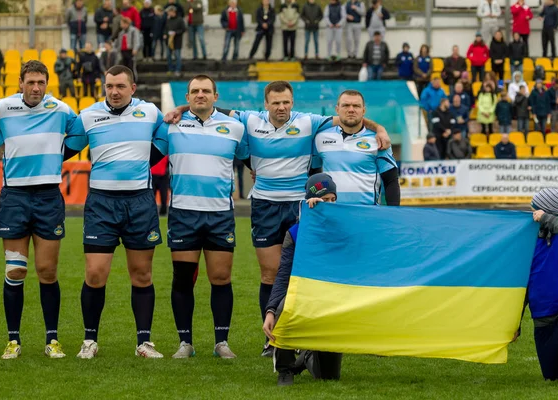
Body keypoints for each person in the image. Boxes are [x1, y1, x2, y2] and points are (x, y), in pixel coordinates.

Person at [163, 80, 391, 357]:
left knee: (301, 275)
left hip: (300, 207)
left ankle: (301, 335)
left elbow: (349, 115)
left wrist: (379, 128)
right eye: (276, 103)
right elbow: (210, 104)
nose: (281, 107)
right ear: (266, 104)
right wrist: (181, 107)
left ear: (292, 103)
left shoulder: (309, 122)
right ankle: (272, 341)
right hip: (265, 206)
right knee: (270, 274)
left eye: (286, 102)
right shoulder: (249, 121)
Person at [64, 65, 167, 359]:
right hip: (101, 203)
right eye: (109, 86)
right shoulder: (88, 116)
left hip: (140, 202)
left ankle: (144, 343)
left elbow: (165, 136)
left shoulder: (150, 112)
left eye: (121, 86)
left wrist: (139, 162)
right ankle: (89, 341)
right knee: (95, 274)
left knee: (142, 274)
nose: (114, 91)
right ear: (104, 87)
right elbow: (65, 148)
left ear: (132, 88)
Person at [0, 61, 83, 359]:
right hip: (15, 197)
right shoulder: (2, 107)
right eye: (31, 82)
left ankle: (51, 340)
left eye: (41, 82)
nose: (36, 88)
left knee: (47, 271)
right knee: (15, 270)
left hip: (48, 197)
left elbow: (80, 134)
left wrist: (58, 154)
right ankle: (13, 341)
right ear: (20, 82)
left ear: (47, 83)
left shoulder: (61, 109)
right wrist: (2, 140)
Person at [157, 75, 248, 360]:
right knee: (183, 280)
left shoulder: (235, 128)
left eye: (205, 91)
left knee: (221, 278)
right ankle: (186, 343)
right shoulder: (170, 126)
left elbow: (249, 159)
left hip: (220, 214)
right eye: (195, 91)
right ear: (187, 96)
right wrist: (178, 112)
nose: (200, 95)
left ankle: (221, 342)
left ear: (215, 96)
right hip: (184, 212)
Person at [263, 173, 340, 386]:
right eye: (324, 200)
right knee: (282, 308)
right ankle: (285, 369)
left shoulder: (342, 229)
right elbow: (283, 275)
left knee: (329, 377)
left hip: (332, 298)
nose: (330, 205)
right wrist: (270, 310)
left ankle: (307, 356)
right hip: (303, 295)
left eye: (333, 200)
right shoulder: (296, 233)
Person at [515, 188, 558, 386]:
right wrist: (515, 322)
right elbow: (522, 287)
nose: (531, 214)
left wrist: (549, 220)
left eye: (534, 210)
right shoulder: (527, 243)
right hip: (544, 320)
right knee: (551, 374)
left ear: (544, 212)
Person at [313, 90, 400, 206]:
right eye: (346, 105)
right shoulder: (320, 138)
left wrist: (393, 215)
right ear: (337, 109)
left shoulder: (379, 140)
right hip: (332, 214)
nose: (351, 110)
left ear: (363, 110)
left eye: (356, 106)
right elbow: (313, 176)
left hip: (366, 215)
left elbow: (391, 181)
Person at [164, 6, 186, 76]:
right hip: (169, 41)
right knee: (168, 55)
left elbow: (184, 29)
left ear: (173, 12)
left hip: (177, 41)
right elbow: (166, 29)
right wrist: (165, 34)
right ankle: (170, 69)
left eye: (169, 12)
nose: (168, 13)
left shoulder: (180, 19)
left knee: (177, 56)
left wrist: (176, 32)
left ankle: (178, 70)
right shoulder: (168, 20)